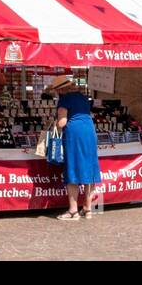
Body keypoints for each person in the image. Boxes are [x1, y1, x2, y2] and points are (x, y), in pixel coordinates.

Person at [48, 75, 102, 220]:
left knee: (73, 170)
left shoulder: (64, 99)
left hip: (75, 135)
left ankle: (73, 211)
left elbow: (62, 123)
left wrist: (53, 122)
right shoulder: (82, 97)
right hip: (89, 132)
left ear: (61, 90)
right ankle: (88, 209)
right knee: (88, 169)